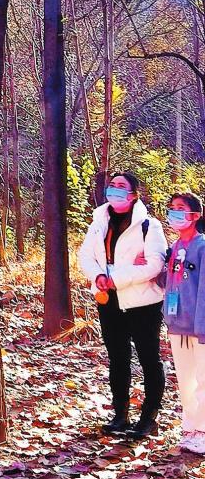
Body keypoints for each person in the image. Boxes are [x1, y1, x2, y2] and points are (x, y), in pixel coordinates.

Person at [77, 169, 167, 440]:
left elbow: (155, 264)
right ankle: (120, 414)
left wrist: (118, 278)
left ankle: (148, 417)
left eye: (121, 186)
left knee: (149, 357)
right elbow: (86, 256)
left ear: (133, 194)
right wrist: (99, 276)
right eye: (112, 184)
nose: (114, 189)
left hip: (143, 302)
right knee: (117, 358)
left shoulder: (149, 226)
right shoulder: (99, 221)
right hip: (109, 300)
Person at [161, 191, 205, 454]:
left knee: (203, 379)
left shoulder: (202, 247)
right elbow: (171, 284)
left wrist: (202, 327)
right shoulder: (175, 247)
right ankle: (190, 427)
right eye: (172, 207)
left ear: (195, 215)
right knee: (185, 379)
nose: (175, 212)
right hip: (178, 326)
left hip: (199, 328)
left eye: (181, 208)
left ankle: (203, 430)